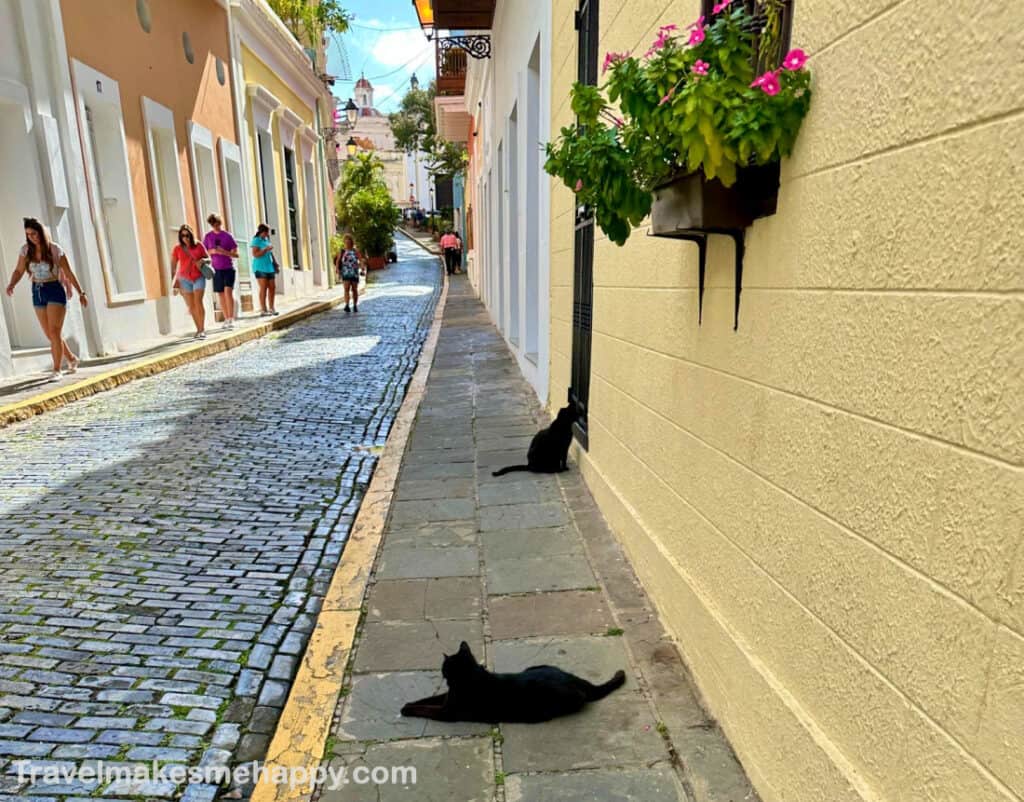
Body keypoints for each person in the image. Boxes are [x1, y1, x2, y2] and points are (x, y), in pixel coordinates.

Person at [5, 217, 88, 381]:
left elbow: (69, 272)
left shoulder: (55, 250)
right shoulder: (25, 250)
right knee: (51, 335)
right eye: (28, 234)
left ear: (41, 232)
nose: (31, 237)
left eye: (34, 233)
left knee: (55, 331)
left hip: (54, 290)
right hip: (37, 292)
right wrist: (12, 284)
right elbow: (19, 270)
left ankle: (57, 369)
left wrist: (81, 293)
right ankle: (71, 358)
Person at [170, 224, 209, 339]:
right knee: (191, 306)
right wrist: (174, 283)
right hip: (184, 279)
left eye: (187, 235)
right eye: (182, 236)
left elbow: (209, 259)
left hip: (198, 277)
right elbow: (173, 266)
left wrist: (203, 260)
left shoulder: (198, 245)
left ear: (191, 235)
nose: (185, 238)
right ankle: (198, 329)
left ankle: (202, 330)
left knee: (198, 302)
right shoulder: (177, 248)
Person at [202, 213, 239, 329]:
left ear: (220, 223)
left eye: (217, 224)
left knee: (228, 292)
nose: (216, 227)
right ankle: (226, 318)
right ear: (211, 224)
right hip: (216, 269)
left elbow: (236, 254)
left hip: (228, 268)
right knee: (221, 294)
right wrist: (211, 252)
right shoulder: (208, 237)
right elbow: (204, 253)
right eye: (213, 225)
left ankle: (231, 318)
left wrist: (224, 252)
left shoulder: (228, 236)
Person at [250, 223, 278, 317]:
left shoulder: (266, 240)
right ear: (262, 232)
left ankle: (272, 308)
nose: (268, 234)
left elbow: (270, 253)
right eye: (267, 232)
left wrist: (275, 262)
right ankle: (263, 309)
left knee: (273, 288)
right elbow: (255, 254)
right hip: (260, 267)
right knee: (264, 288)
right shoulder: (256, 240)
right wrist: (265, 249)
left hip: (269, 267)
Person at [335, 234, 362, 313]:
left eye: (349, 241)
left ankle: (355, 305)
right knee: (346, 289)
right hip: (345, 272)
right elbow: (338, 261)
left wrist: (362, 267)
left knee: (354, 289)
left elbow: (360, 259)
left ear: (351, 242)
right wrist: (337, 269)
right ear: (344, 242)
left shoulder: (355, 251)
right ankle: (347, 305)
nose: (347, 243)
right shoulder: (342, 251)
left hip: (354, 272)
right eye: (346, 241)